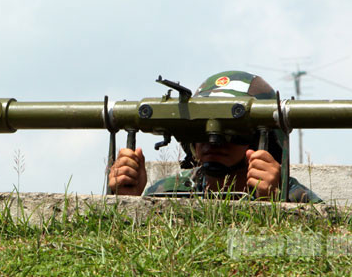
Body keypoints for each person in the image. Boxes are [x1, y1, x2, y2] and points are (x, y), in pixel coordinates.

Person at [108, 71, 322, 203]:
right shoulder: (168, 193)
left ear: (261, 142)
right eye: (202, 129)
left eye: (231, 131)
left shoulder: (294, 198)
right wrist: (127, 200)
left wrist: (274, 205)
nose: (213, 142)